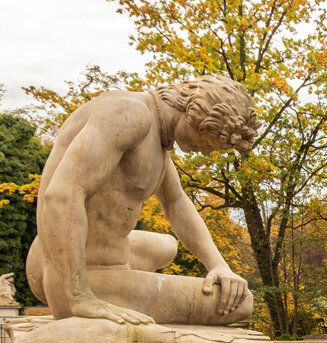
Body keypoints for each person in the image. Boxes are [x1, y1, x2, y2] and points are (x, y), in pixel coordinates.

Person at [26, 75, 260, 326]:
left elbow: (176, 203)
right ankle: (99, 288)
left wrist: (219, 266)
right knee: (239, 303)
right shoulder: (129, 113)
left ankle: (121, 283)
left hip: (79, 255)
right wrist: (78, 297)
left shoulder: (158, 136)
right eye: (212, 141)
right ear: (197, 114)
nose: (208, 151)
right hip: (70, 272)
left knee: (167, 246)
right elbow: (61, 196)